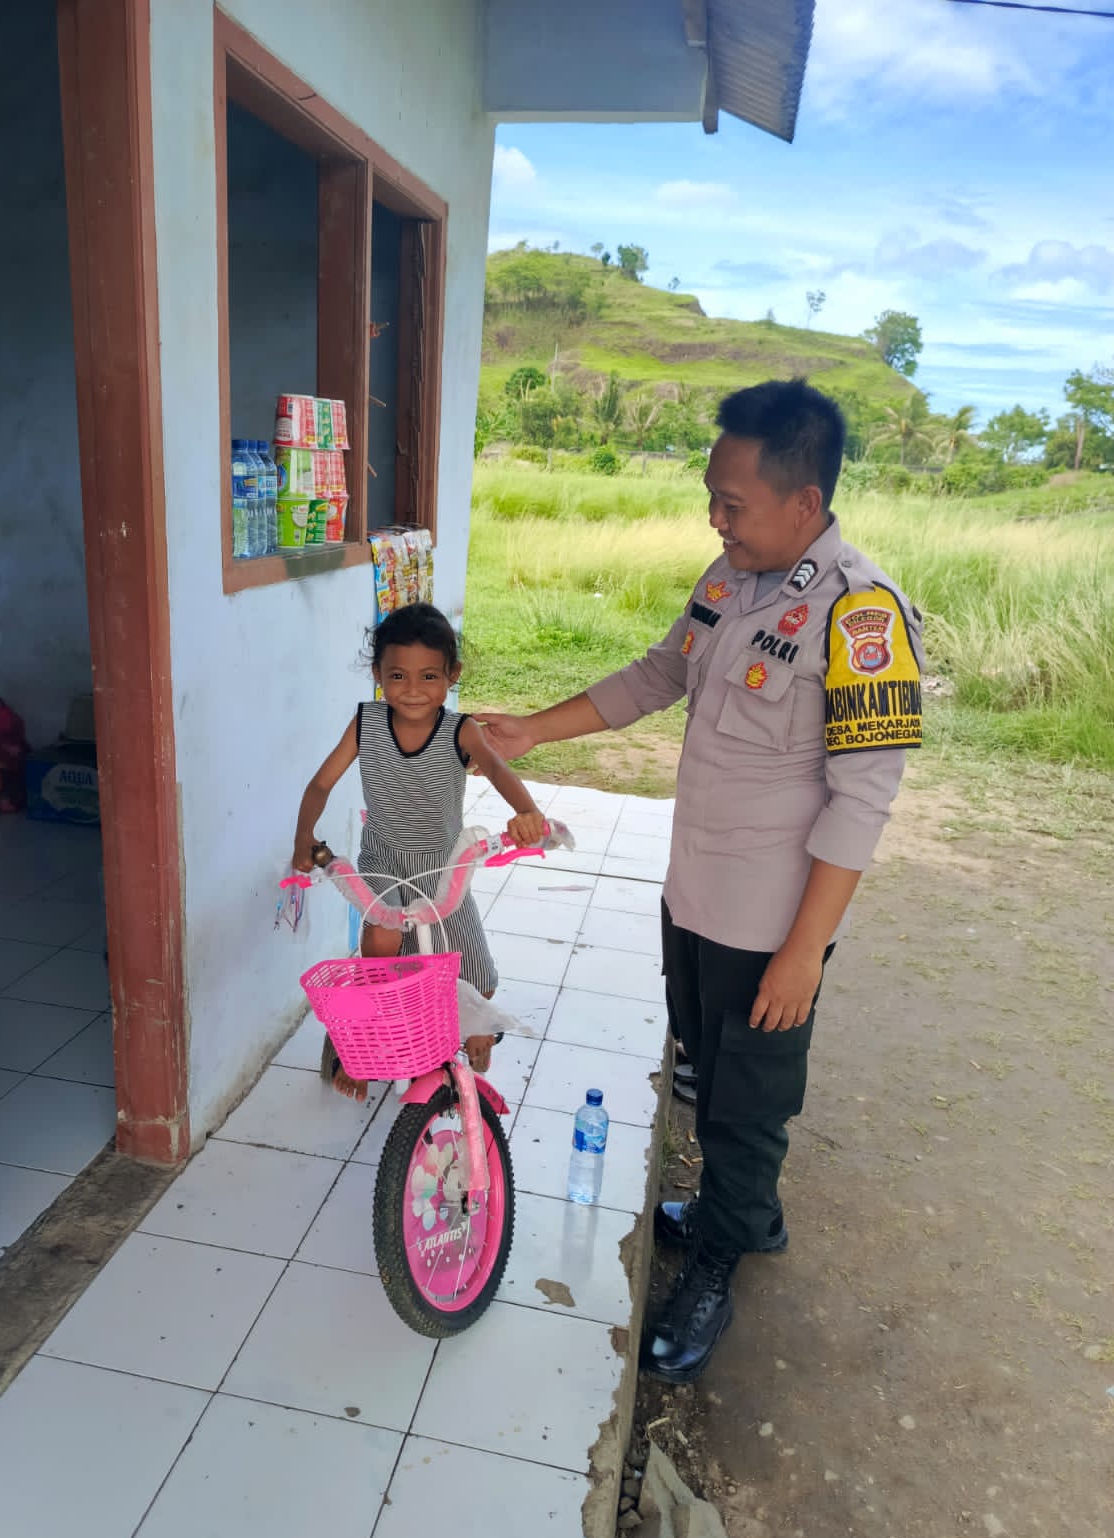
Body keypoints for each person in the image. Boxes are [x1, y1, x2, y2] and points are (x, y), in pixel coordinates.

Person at [479, 380, 924, 1384]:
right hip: (695, 892)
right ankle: (745, 1213)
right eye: (712, 500)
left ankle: (721, 1260)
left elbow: (862, 800)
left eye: (733, 503)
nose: (715, 520)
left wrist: (803, 952)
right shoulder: (730, 579)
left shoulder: (862, 615)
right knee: (708, 1071)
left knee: (744, 1101)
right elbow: (658, 674)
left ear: (804, 503)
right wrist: (534, 730)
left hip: (769, 920)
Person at [293, 602, 545, 1100]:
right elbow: (321, 784)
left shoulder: (460, 730)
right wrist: (304, 836)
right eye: (397, 676)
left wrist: (527, 812)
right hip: (384, 858)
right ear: (377, 675)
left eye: (429, 676)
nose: (412, 689)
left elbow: (497, 769)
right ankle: (364, 1043)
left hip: (442, 866)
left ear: (453, 675)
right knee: (385, 936)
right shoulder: (365, 725)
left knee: (478, 977)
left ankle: (471, 1028)